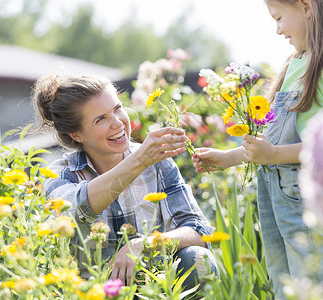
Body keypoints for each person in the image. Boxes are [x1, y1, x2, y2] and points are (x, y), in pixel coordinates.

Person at [192, 0, 323, 299]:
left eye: (279, 18)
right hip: (274, 193)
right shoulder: (296, 62)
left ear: (307, 7)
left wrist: (273, 156)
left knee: (320, 282)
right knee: (286, 283)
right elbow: (271, 139)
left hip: (308, 196)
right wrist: (227, 159)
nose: (278, 30)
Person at [32, 73, 216, 291]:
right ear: (77, 134)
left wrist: (144, 245)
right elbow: (76, 211)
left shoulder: (157, 163)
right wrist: (140, 160)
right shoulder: (60, 175)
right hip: (93, 291)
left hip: (154, 287)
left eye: (117, 108)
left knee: (198, 258)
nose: (118, 123)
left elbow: (199, 231)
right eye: (100, 119)